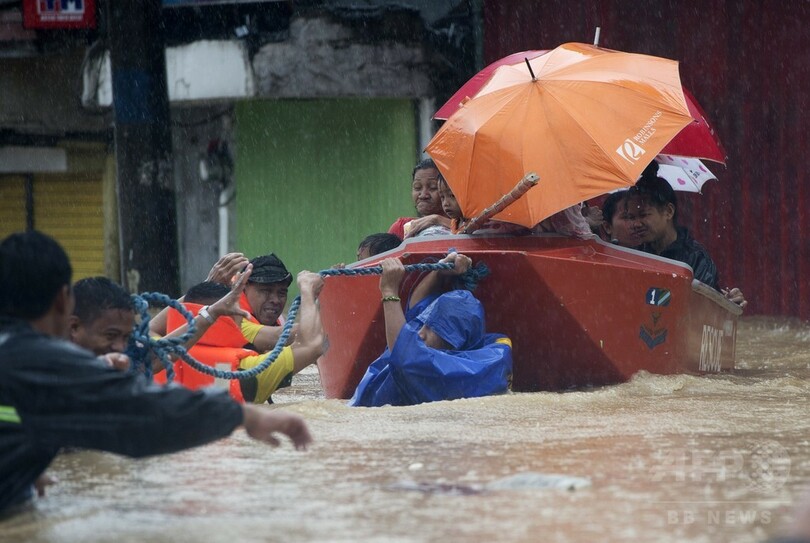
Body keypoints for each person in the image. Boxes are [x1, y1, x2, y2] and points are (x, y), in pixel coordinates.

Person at [0, 231, 312, 514]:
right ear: (64, 304)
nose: (121, 350)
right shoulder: (48, 365)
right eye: (111, 338)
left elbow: (153, 355)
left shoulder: (27, 362)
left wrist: (25, 462)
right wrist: (246, 417)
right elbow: (144, 414)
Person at [350, 252, 513, 407]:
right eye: (424, 324)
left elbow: (406, 357)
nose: (419, 333)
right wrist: (439, 272)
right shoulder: (430, 336)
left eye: (431, 329)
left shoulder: (457, 371)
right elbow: (417, 307)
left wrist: (389, 291)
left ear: (455, 342)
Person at [158, 271, 326, 404]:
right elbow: (313, 345)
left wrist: (205, 287)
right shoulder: (247, 369)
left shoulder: (152, 353)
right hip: (223, 443)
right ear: (228, 316)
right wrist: (307, 290)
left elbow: (151, 327)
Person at [387, 158, 451, 239]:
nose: (423, 195)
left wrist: (438, 220)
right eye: (417, 187)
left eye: (432, 187)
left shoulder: (466, 225)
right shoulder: (402, 228)